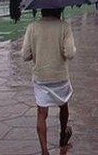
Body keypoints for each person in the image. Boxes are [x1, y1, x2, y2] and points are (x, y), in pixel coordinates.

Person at [21, 8, 76, 155]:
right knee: (63, 105)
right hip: (60, 76)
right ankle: (63, 135)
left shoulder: (32, 27)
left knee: (41, 113)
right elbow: (70, 53)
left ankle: (44, 151)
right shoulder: (64, 26)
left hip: (41, 77)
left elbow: (25, 55)